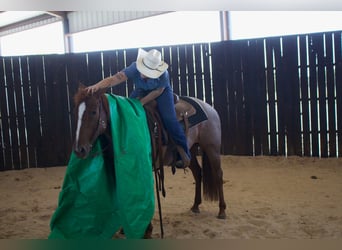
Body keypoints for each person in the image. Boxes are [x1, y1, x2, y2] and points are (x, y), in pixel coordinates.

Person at [86, 48, 191, 168]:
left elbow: (158, 91)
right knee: (127, 110)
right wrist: (97, 86)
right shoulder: (134, 68)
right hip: (142, 89)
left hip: (162, 92)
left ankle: (184, 153)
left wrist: (141, 103)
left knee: (169, 119)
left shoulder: (164, 74)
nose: (143, 74)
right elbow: (114, 79)